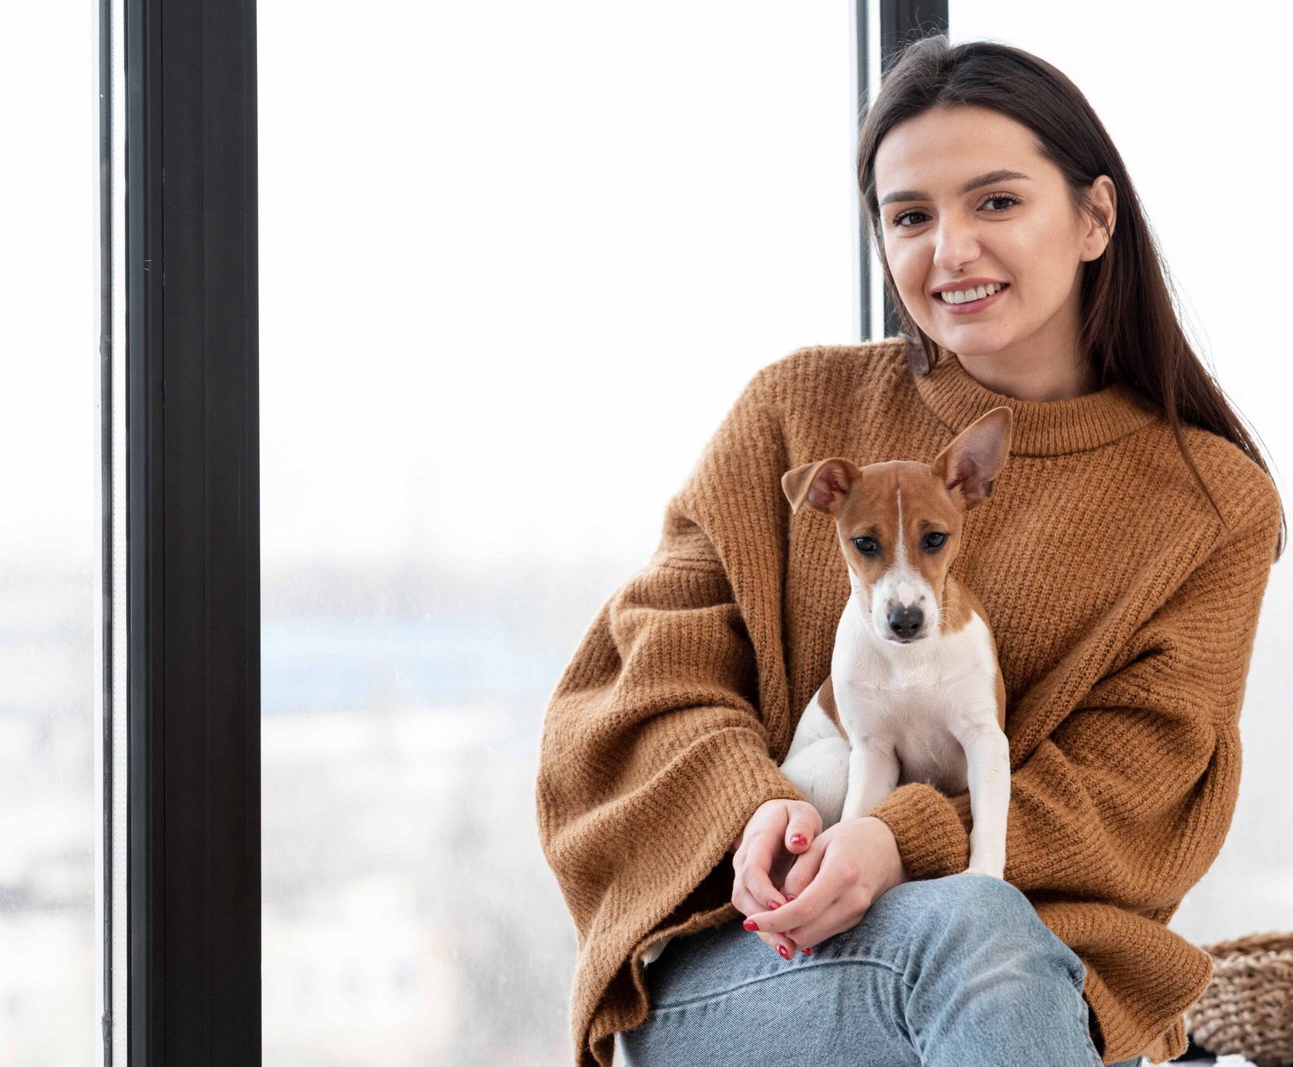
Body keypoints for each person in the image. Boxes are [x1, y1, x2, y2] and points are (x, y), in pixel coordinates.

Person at [534, 35, 1285, 1067]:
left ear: (1095, 216)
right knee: (977, 939)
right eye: (909, 216)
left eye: (995, 202)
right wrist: (754, 814)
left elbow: (1139, 790)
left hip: (1035, 968)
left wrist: (902, 838)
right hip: (757, 953)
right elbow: (638, 679)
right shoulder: (796, 411)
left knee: (980, 933)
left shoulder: (1208, 504)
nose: (950, 249)